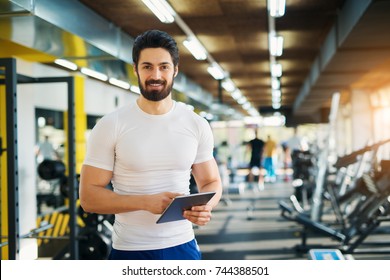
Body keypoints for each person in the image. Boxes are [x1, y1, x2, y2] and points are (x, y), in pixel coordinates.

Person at [79, 29, 222, 260]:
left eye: (164, 66)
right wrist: (145, 202)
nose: (156, 74)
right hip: (130, 249)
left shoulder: (197, 124)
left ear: (175, 70)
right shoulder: (111, 125)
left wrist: (206, 206)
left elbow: (210, 181)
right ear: (135, 69)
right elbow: (88, 197)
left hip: (182, 245)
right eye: (147, 66)